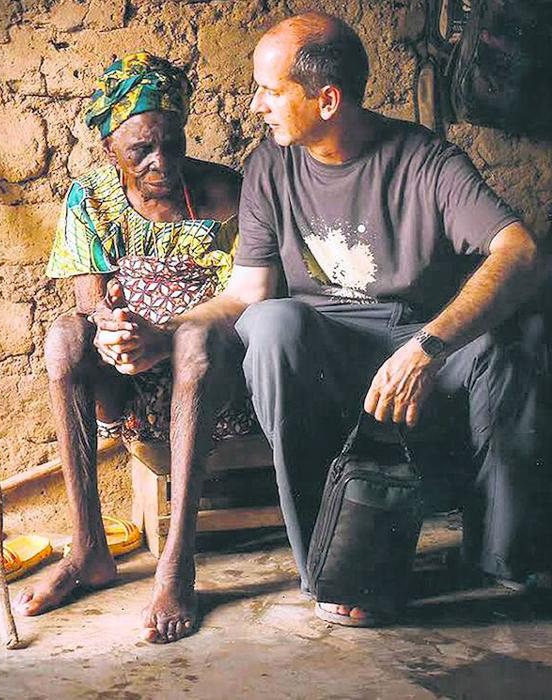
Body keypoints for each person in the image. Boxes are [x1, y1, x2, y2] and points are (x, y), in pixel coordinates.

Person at [227, 12, 552, 627]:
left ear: (327, 99)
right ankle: (334, 567)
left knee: (509, 348)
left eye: (271, 90)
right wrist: (174, 331)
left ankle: (504, 561)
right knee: (271, 327)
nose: (256, 105)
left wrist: (428, 347)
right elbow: (248, 293)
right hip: (325, 353)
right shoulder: (268, 167)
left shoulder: (424, 160)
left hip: (415, 347)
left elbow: (521, 250)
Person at [13, 52, 256, 643]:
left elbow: (254, 298)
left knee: (196, 340)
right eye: (141, 149)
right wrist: (118, 334)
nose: (162, 163)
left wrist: (167, 337)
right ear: (107, 149)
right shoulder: (90, 200)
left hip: (218, 382)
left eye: (173, 144)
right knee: (66, 338)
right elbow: (90, 306)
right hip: (130, 391)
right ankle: (89, 549)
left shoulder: (225, 192)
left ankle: (178, 562)